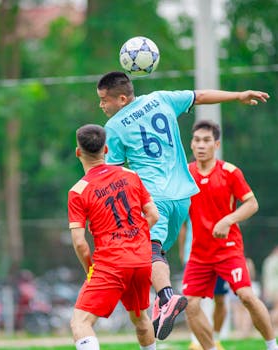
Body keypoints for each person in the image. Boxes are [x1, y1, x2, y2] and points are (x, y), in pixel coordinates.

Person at [96, 71, 269, 340]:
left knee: (147, 251)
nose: (101, 106)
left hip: (155, 198)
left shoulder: (115, 127)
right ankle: (160, 299)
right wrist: (238, 96)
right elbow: (200, 96)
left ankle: (165, 299)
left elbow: (115, 174)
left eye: (104, 100)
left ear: (121, 98)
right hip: (183, 196)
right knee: (157, 254)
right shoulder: (161, 99)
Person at [182, 120, 278, 350]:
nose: (201, 145)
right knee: (190, 305)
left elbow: (252, 204)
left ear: (216, 144)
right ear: (191, 144)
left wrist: (228, 219)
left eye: (206, 140)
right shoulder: (185, 174)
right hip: (199, 254)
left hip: (228, 250)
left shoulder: (230, 172)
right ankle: (211, 348)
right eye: (197, 140)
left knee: (246, 296)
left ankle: (272, 346)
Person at [67, 124, 160, 350]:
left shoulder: (78, 191)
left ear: (78, 152)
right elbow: (153, 215)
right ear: (106, 150)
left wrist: (90, 267)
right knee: (140, 319)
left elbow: (80, 243)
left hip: (111, 263)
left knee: (81, 322)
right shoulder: (130, 175)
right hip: (140, 261)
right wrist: (134, 236)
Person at [178, 220, 228, 350]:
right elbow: (183, 227)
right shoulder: (189, 200)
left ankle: (215, 339)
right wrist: (182, 252)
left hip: (219, 255)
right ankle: (195, 341)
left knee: (220, 300)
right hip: (193, 256)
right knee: (191, 302)